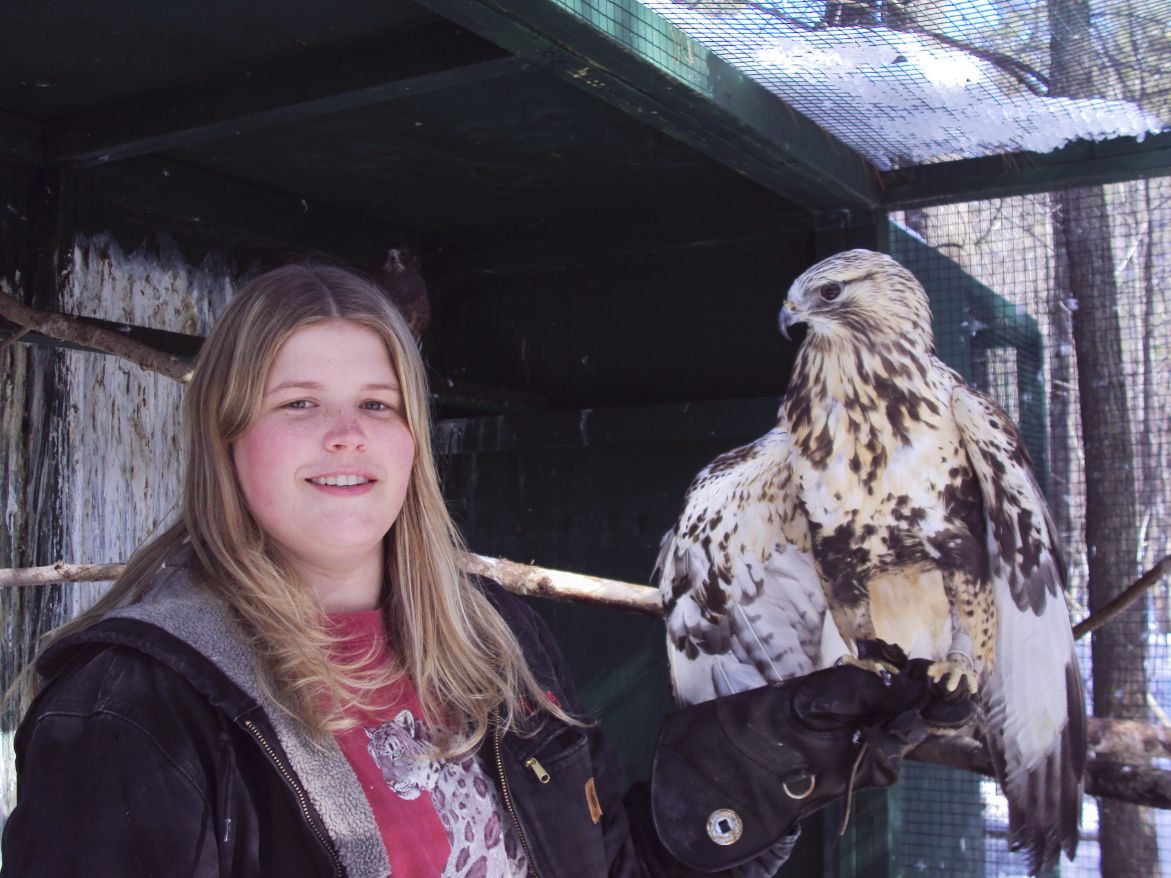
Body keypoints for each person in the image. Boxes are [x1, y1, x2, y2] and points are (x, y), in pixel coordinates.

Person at [1, 264, 959, 877]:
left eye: (378, 404)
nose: (346, 434)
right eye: (298, 402)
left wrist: (761, 767)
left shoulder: (495, 641)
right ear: (225, 438)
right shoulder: (134, 708)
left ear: (413, 437)